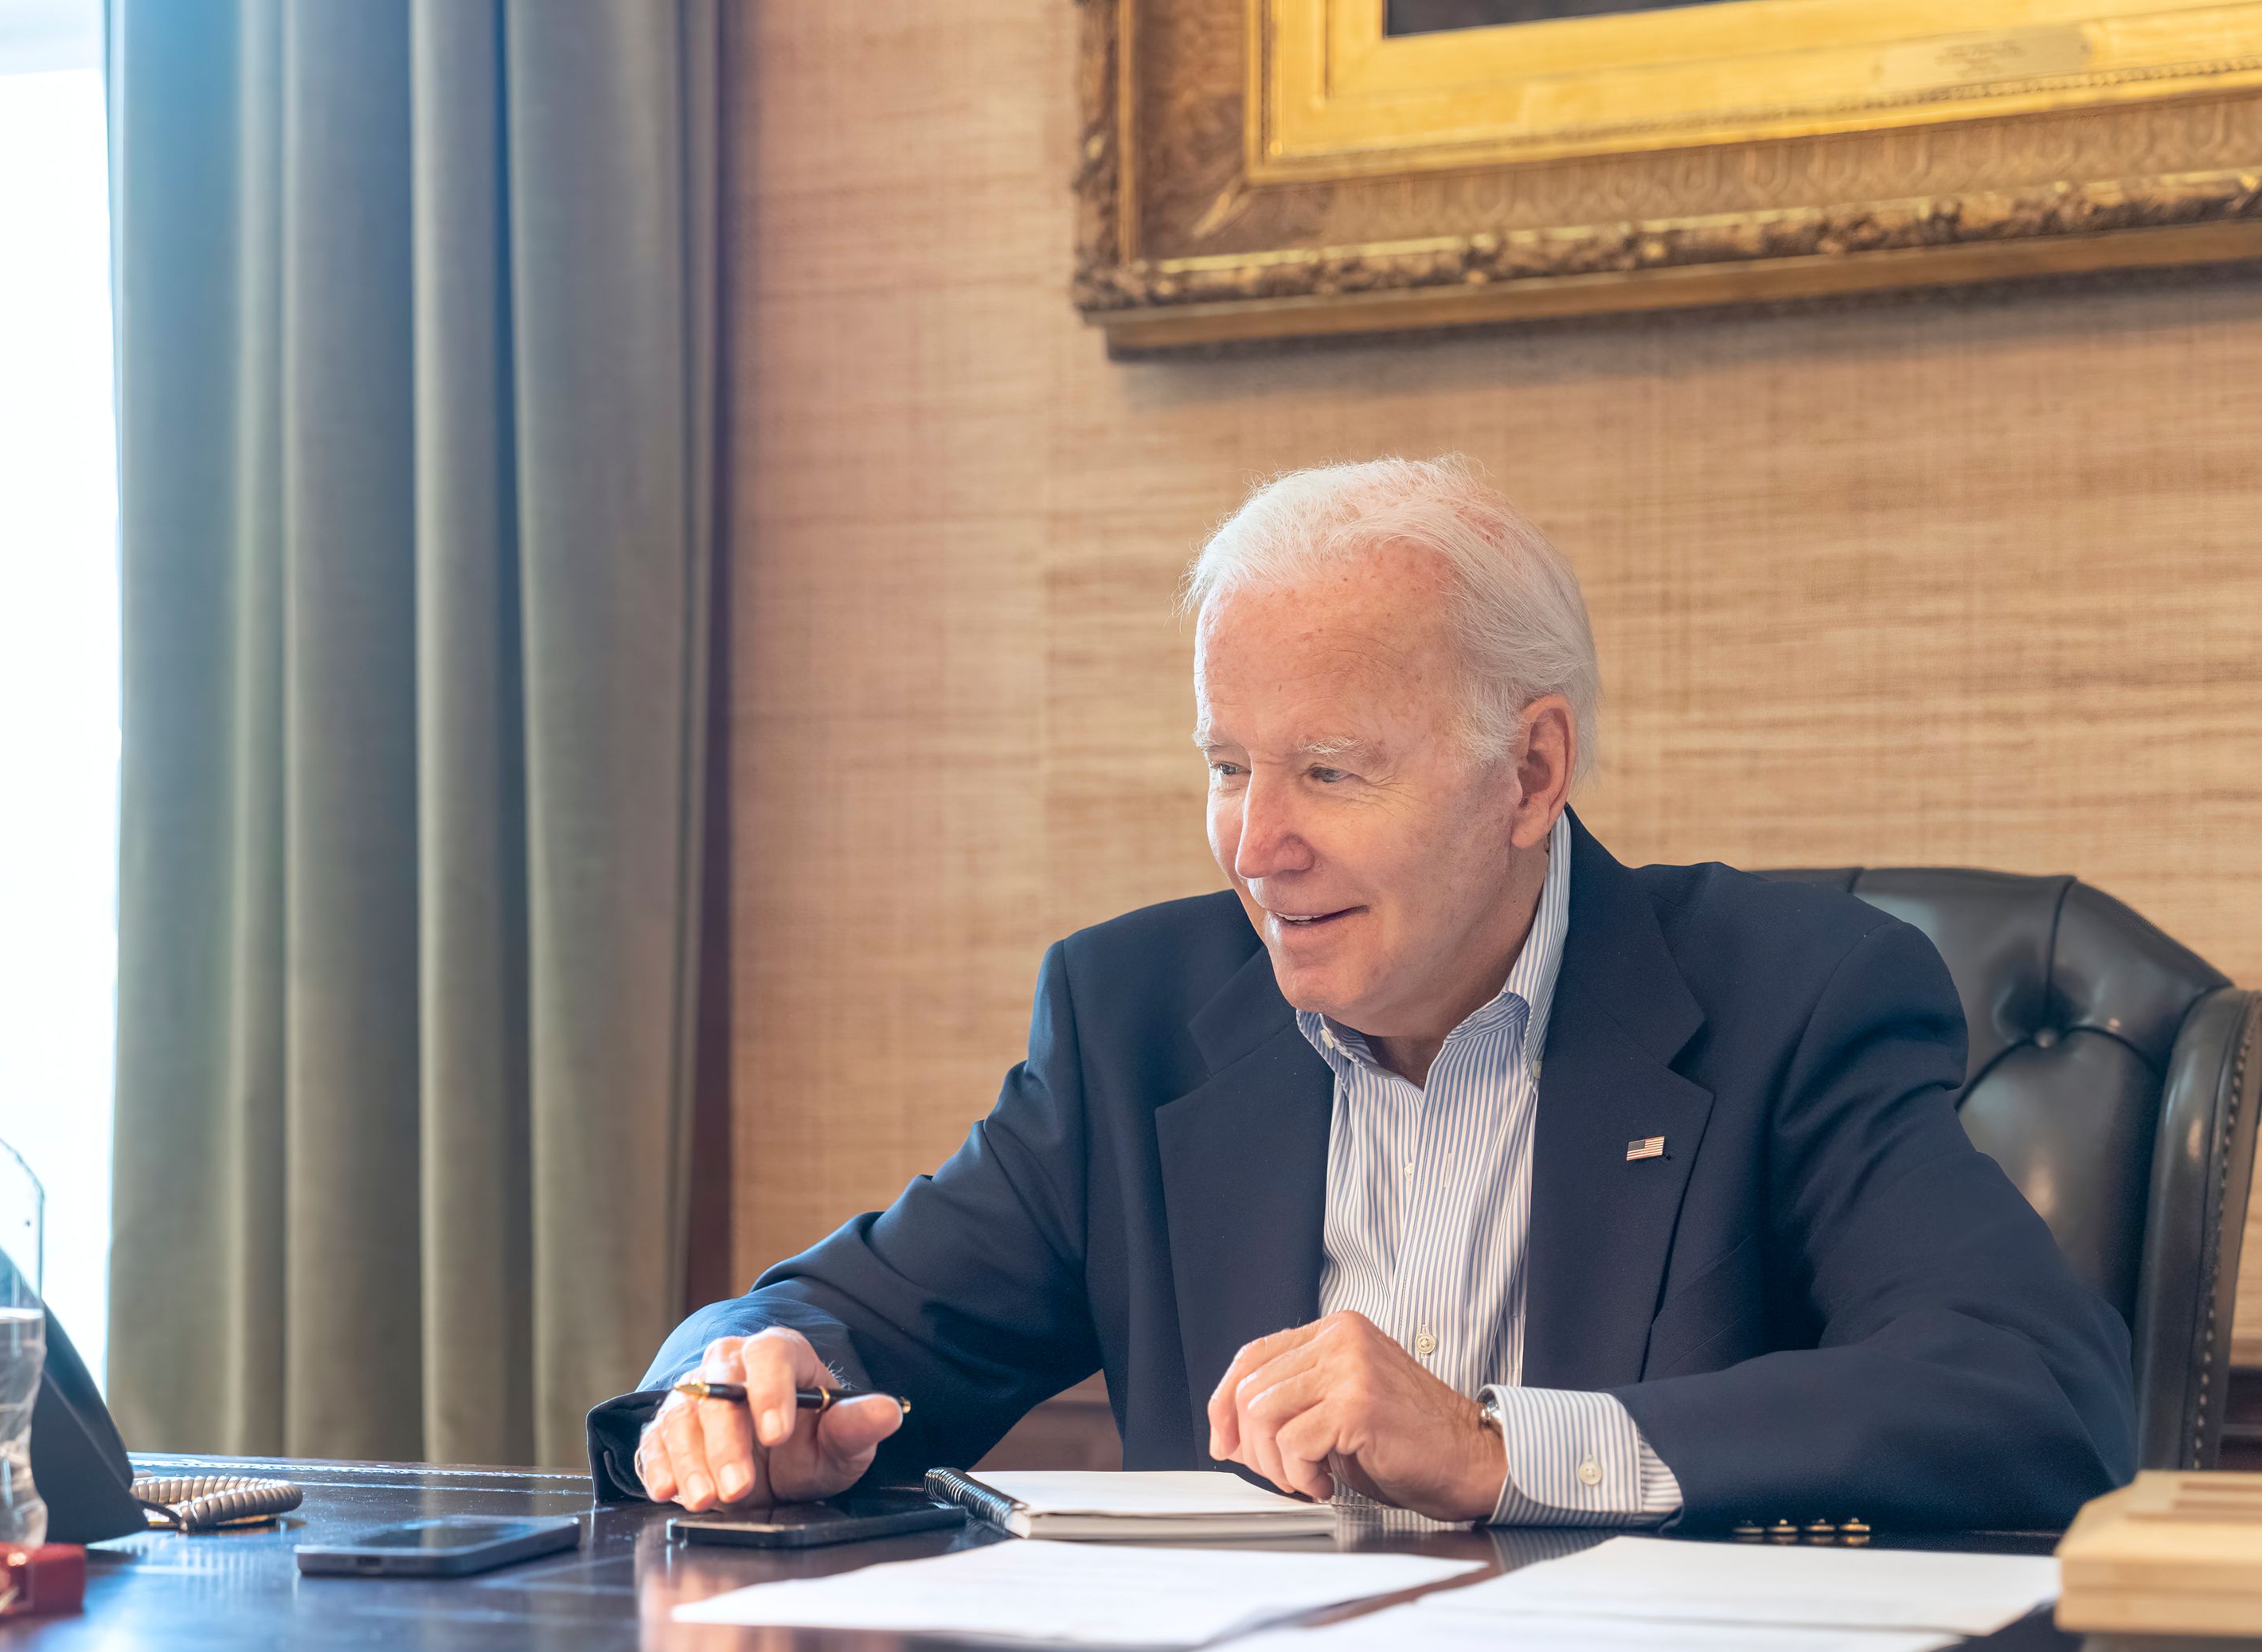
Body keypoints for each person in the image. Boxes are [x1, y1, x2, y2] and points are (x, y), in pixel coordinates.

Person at [590, 457, 2134, 1533]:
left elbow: (2033, 1392)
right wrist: (740, 1389)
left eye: (1329, 770)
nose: (1257, 847)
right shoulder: (1137, 1019)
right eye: (1226, 766)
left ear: (1530, 772)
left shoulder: (1792, 1000)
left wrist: (1489, 1448)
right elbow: (826, 1314)